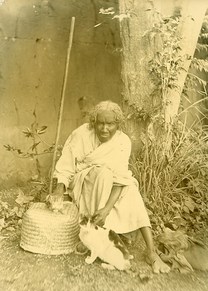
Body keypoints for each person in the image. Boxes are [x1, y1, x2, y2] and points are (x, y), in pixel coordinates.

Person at [51, 100, 170, 274]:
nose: (104, 129)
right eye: (100, 123)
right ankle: (96, 236)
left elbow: (121, 178)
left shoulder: (123, 141)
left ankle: (151, 252)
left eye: (110, 124)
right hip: (84, 181)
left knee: (131, 189)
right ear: (94, 122)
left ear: (118, 124)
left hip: (114, 183)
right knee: (103, 174)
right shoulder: (82, 134)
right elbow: (66, 165)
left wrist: (106, 209)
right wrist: (59, 190)